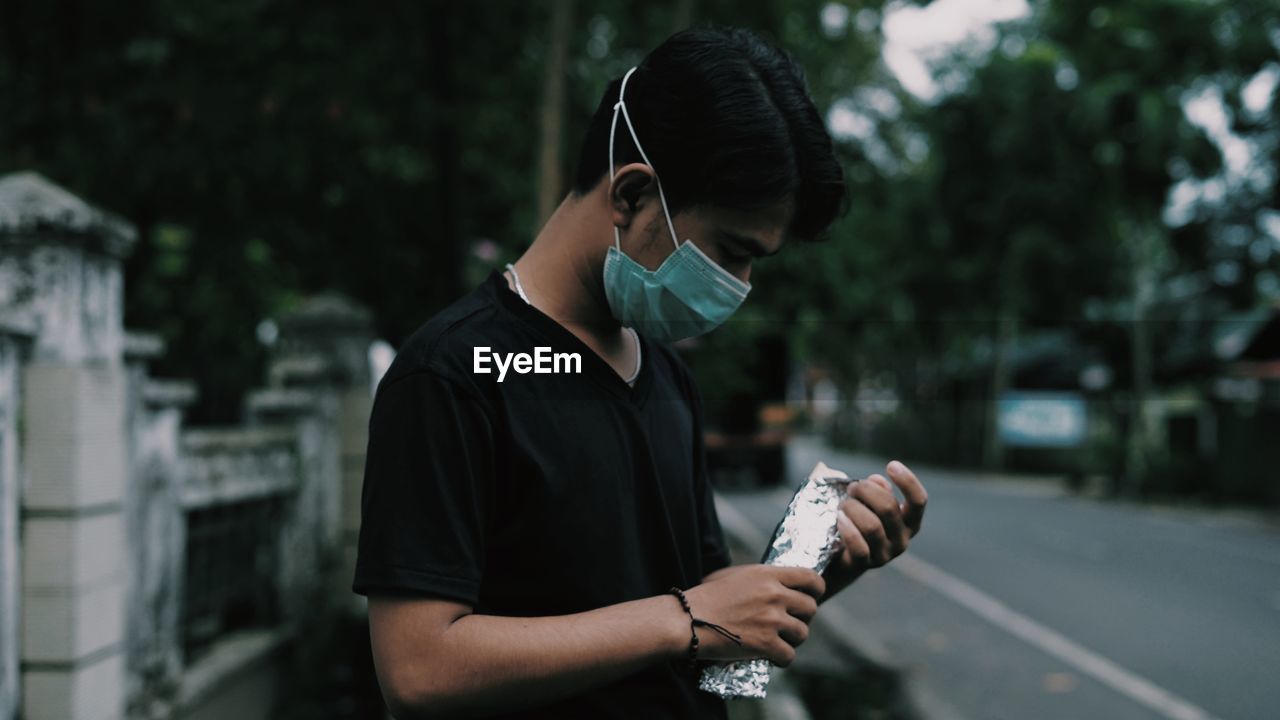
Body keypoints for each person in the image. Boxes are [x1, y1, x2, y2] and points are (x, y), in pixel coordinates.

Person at [352, 26, 927, 720]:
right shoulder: (454, 374)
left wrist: (823, 566)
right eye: (730, 251)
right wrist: (684, 618)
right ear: (630, 194)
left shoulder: (666, 378)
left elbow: (717, 627)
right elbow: (418, 671)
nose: (736, 285)